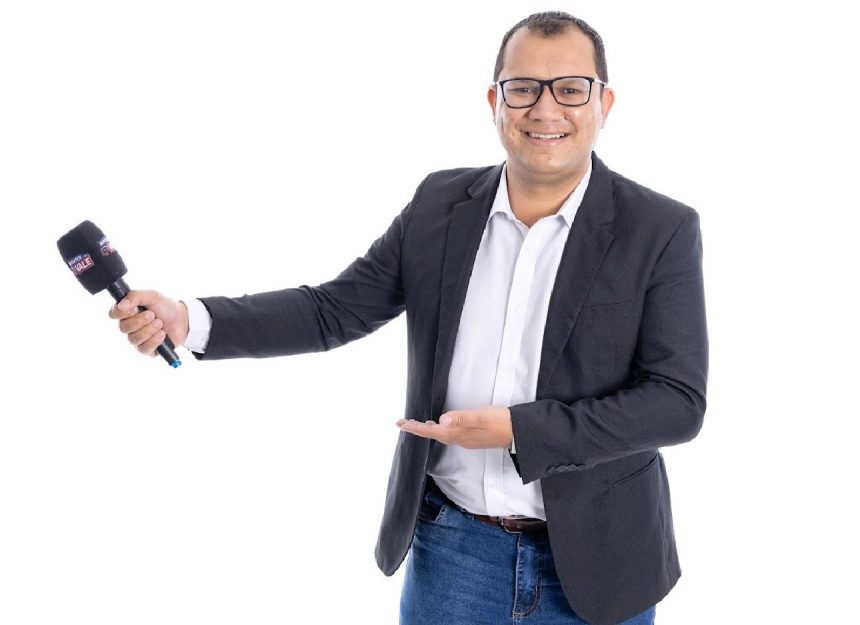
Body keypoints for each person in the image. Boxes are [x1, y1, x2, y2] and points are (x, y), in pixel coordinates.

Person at [109, 11, 707, 625]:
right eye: (523, 88)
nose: (545, 109)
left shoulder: (660, 229)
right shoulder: (440, 205)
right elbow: (335, 309)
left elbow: (677, 402)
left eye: (571, 89)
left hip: (603, 558)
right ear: (495, 102)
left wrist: (520, 430)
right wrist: (190, 319)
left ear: (604, 103)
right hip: (454, 551)